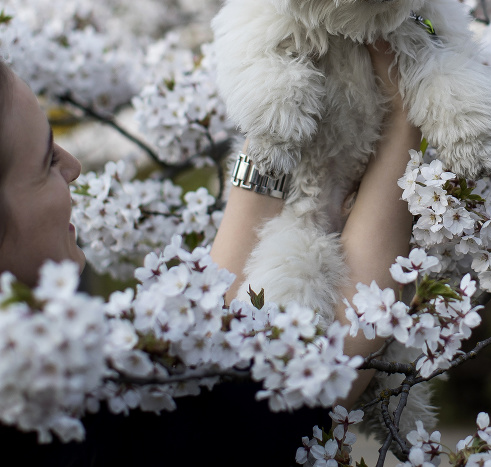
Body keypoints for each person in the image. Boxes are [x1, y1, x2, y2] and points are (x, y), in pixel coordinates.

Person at [0, 41, 419, 465]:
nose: (73, 167)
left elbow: (206, 336)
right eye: (47, 160)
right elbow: (318, 370)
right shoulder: (53, 402)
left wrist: (274, 127)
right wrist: (404, 115)